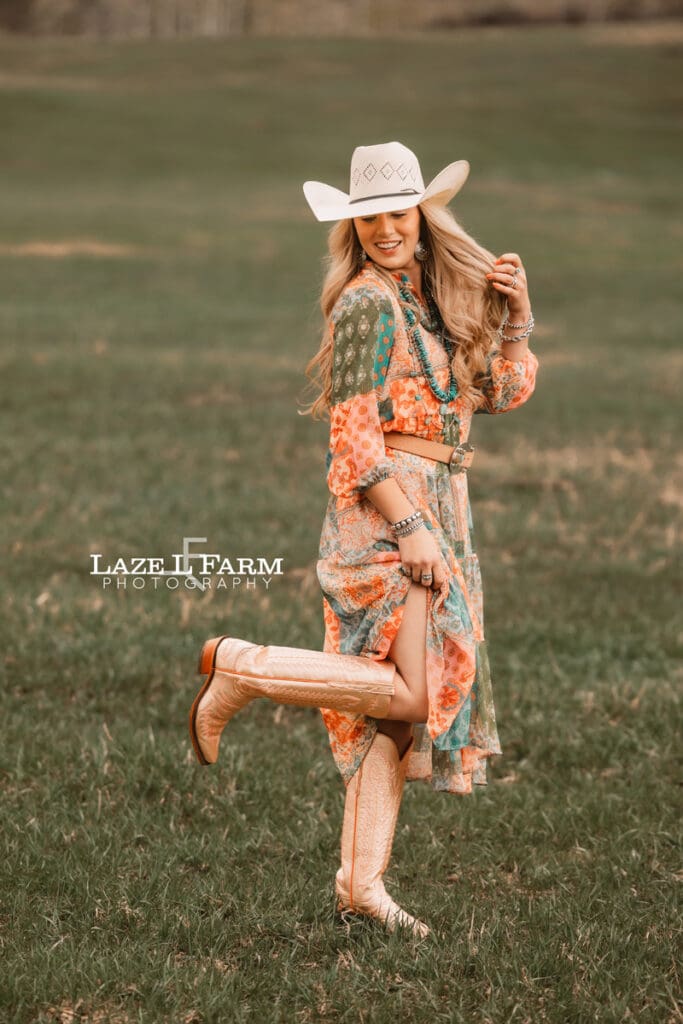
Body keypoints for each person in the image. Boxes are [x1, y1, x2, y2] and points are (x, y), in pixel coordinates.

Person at [189, 141, 539, 939]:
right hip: (389, 512)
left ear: (421, 214)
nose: (385, 227)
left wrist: (516, 319)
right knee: (412, 694)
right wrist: (411, 527)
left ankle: (360, 887)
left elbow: (503, 393)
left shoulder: (428, 300)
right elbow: (352, 440)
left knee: (400, 715)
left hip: (443, 502)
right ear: (352, 226)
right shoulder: (363, 305)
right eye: (368, 216)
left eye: (397, 211)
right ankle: (242, 669)